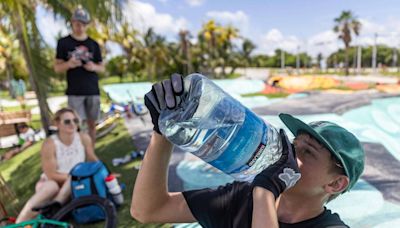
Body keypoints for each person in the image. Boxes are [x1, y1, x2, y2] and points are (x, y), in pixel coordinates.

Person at [130, 74, 365, 227]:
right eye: (294, 145)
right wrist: (163, 131)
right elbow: (148, 210)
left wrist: (264, 192)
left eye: (308, 153)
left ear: (335, 184)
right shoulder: (241, 198)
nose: (290, 154)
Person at [16, 108, 99, 223]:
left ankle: (53, 212)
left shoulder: (83, 138)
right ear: (57, 124)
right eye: (67, 121)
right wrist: (75, 178)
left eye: (75, 120)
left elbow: (92, 159)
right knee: (52, 186)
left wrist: (105, 172)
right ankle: (20, 222)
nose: (72, 124)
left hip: (75, 185)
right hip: (51, 183)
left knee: (73, 178)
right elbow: (51, 175)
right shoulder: (50, 143)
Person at [54, 7, 104, 145]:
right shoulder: (63, 42)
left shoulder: (93, 44)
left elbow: (102, 67)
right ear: (72, 22)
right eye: (77, 23)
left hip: (92, 90)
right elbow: (57, 67)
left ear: (87, 24)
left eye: (83, 24)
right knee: (76, 125)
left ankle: (91, 151)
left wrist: (94, 67)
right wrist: (69, 64)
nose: (80, 27)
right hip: (75, 92)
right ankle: (80, 150)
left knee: (92, 124)